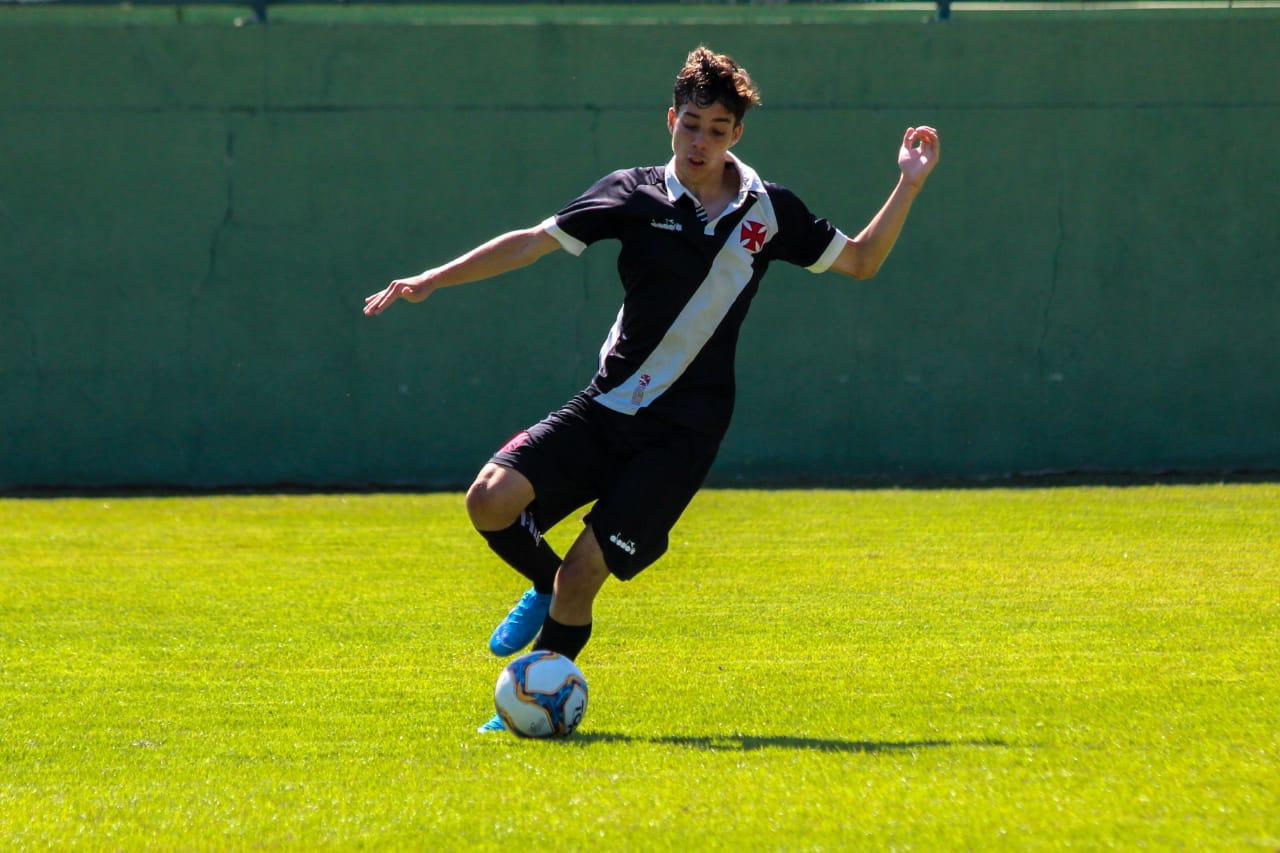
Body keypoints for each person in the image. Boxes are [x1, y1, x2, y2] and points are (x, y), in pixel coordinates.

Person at [364, 46, 940, 732]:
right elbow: (530, 241)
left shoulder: (768, 213)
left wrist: (908, 183)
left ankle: (531, 696)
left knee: (584, 573)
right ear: (671, 119)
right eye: (690, 125)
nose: (700, 142)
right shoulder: (630, 192)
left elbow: (863, 260)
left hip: (682, 434)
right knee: (489, 499)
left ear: (737, 136)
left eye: (717, 130)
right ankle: (542, 587)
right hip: (606, 406)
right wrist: (432, 278)